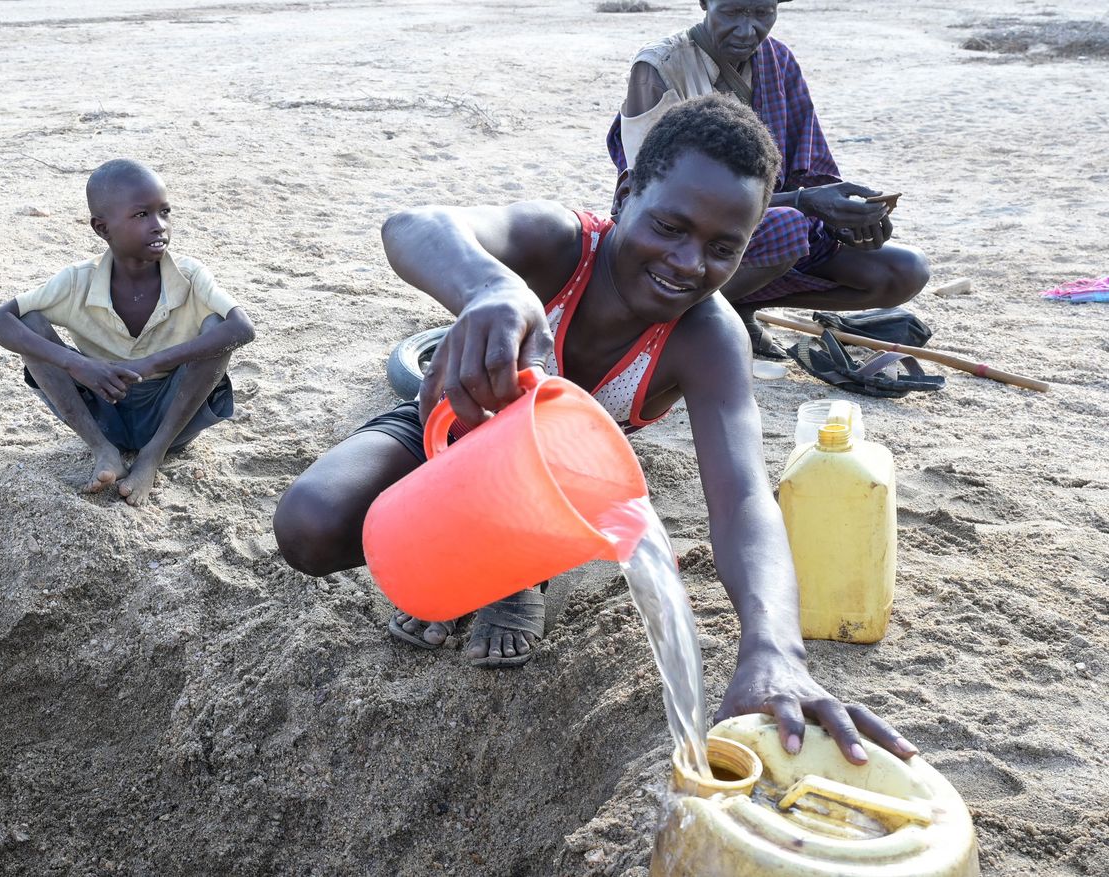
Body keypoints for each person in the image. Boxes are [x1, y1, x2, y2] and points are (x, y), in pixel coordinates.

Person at [274, 96, 918, 765]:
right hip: (450, 435)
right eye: (670, 225)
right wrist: (492, 288)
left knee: (513, 520)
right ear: (625, 192)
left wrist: (774, 649)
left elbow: (745, 499)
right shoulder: (556, 247)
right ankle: (467, 568)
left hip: (554, 488)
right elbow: (411, 225)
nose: (687, 262)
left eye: (722, 248)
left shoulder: (704, 335)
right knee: (309, 525)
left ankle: (512, 576)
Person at [607, 0, 929, 360]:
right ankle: (663, 326)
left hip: (756, 234)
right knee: (788, 229)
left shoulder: (778, 60)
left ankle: (738, 306)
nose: (748, 31)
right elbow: (652, 194)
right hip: (676, 236)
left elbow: (810, 166)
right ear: (704, 3)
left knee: (905, 270)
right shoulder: (661, 67)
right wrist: (803, 202)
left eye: (762, 13)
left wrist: (845, 218)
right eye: (731, 12)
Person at [0, 159, 255, 506]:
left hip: (171, 418)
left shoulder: (190, 275)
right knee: (29, 323)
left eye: (165, 212)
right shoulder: (76, 281)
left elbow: (242, 327)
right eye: (142, 215)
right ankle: (103, 450)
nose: (159, 226)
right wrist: (75, 363)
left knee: (218, 328)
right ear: (102, 228)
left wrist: (154, 362)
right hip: (101, 409)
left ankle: (151, 458)